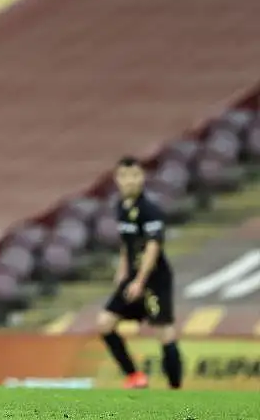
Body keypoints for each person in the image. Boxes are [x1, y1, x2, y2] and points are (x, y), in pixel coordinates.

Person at [98, 156, 183, 389]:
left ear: (142, 178)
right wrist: (122, 271)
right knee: (105, 323)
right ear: (117, 179)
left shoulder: (150, 211)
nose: (130, 181)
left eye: (134, 175)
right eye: (124, 176)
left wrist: (139, 281)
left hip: (155, 279)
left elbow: (153, 247)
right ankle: (135, 376)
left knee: (164, 332)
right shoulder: (121, 207)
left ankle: (176, 390)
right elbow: (127, 243)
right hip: (132, 277)